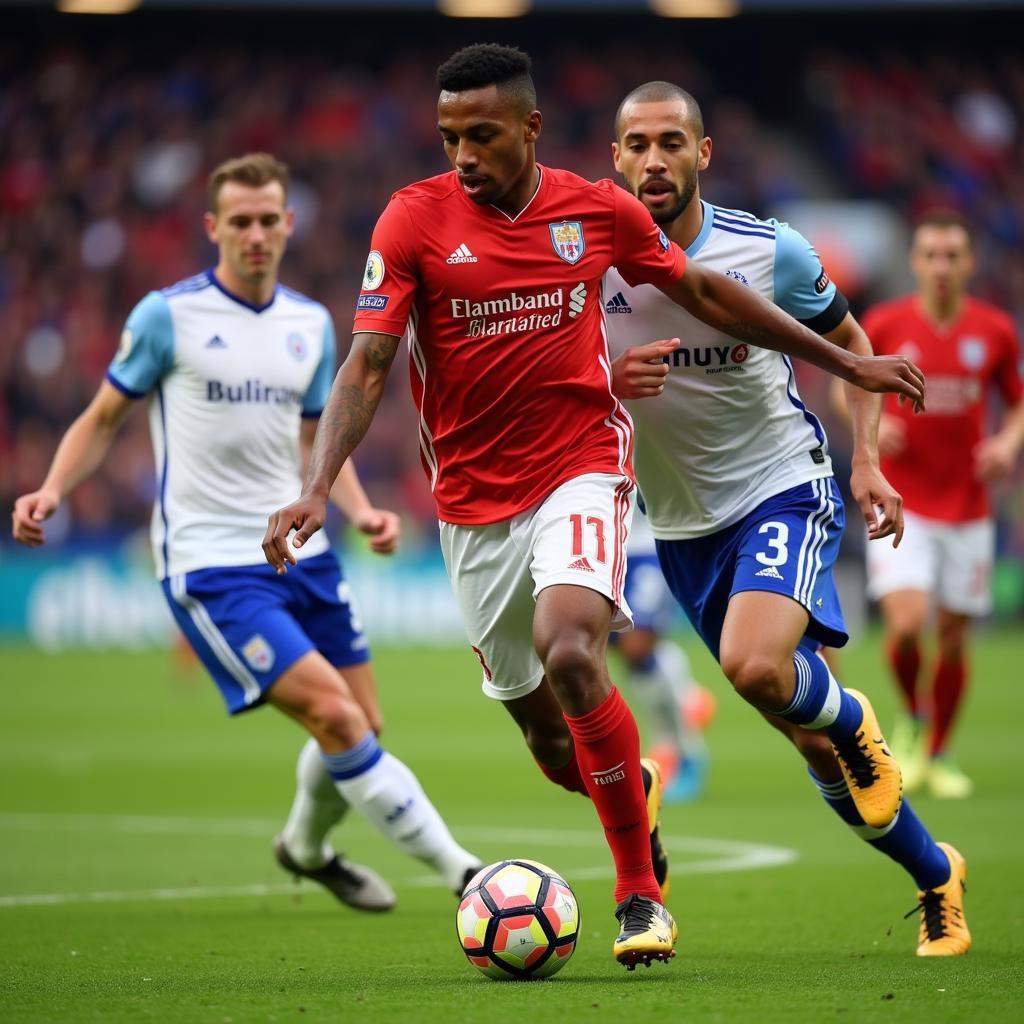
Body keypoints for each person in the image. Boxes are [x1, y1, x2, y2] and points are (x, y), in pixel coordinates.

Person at [261, 45, 925, 970]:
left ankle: (638, 898)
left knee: (572, 647)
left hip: (582, 465)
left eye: (483, 135)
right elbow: (368, 363)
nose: (463, 155)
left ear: (530, 128)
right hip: (471, 502)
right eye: (450, 136)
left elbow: (699, 288)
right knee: (545, 734)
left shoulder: (593, 209)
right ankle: (635, 797)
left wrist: (845, 362)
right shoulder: (411, 221)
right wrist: (315, 486)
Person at [11, 152, 481, 912]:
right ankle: (467, 875)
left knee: (363, 722)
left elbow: (313, 441)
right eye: (240, 222)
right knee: (335, 715)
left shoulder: (308, 325)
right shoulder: (168, 316)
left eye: (269, 220)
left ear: (289, 224)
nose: (256, 234)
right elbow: (104, 417)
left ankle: (303, 847)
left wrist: (357, 510)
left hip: (306, 554)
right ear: (213, 228)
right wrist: (53, 488)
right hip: (212, 563)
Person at [606, 81, 970, 956]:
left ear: (704, 154)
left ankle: (855, 720)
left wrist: (869, 461)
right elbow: (558, 383)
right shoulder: (588, 265)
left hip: (781, 485)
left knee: (755, 667)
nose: (653, 160)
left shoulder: (771, 252)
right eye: (635, 145)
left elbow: (854, 348)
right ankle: (936, 876)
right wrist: (611, 385)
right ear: (613, 158)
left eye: (670, 142)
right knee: (809, 747)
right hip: (682, 526)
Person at [856, 211, 1024, 798]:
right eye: (931, 255)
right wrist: (873, 433)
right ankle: (916, 718)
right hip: (902, 500)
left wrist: (1006, 442)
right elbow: (847, 379)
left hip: (970, 507)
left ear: (971, 262)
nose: (942, 266)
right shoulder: (885, 321)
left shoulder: (996, 331)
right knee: (904, 627)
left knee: (953, 638)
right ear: (915, 261)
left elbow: (1018, 403)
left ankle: (941, 752)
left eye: (953, 255)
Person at [611, 510, 714, 803]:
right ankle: (687, 697)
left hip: (649, 546)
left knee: (637, 645)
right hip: (604, 546)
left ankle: (686, 754)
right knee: (621, 646)